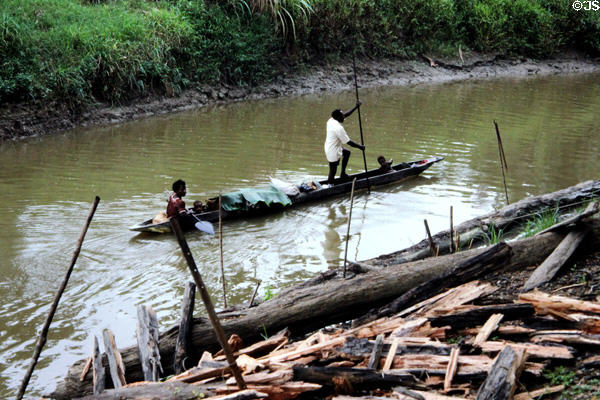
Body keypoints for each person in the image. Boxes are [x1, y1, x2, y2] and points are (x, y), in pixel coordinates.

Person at [324, 102, 366, 184]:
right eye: (342, 116)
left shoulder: (331, 120)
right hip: (332, 151)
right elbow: (349, 142)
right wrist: (360, 147)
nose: (344, 117)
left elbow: (345, 114)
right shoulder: (338, 128)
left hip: (332, 146)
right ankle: (330, 186)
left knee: (347, 153)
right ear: (338, 117)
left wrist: (356, 107)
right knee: (332, 170)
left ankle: (342, 174)